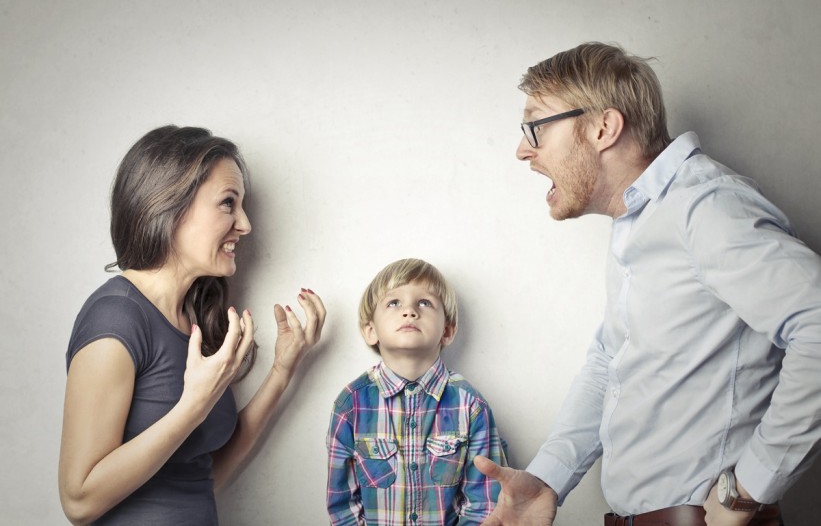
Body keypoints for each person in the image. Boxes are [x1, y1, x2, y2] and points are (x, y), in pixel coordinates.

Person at [474, 42, 821, 526]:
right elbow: (610, 363)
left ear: (602, 127)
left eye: (537, 125)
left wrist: (748, 490)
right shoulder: (636, 221)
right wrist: (546, 479)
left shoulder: (706, 207)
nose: (522, 149)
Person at [58, 125, 326, 525]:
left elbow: (203, 476)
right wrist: (194, 404)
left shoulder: (194, 319)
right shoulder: (116, 317)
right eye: (227, 203)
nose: (245, 224)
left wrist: (282, 371)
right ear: (169, 206)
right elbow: (78, 502)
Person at [326, 258, 507, 524]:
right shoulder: (350, 405)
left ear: (447, 330)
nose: (409, 311)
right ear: (370, 331)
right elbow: (343, 505)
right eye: (394, 302)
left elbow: (484, 504)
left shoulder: (470, 405)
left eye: (424, 302)